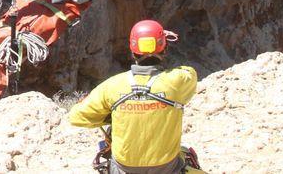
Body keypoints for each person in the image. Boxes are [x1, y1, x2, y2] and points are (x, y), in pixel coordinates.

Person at [69, 21, 199, 174]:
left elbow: (76, 117)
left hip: (124, 168)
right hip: (166, 167)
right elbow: (189, 72)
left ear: (132, 50)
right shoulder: (179, 81)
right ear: (165, 49)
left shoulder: (112, 86)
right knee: (186, 154)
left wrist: (115, 114)